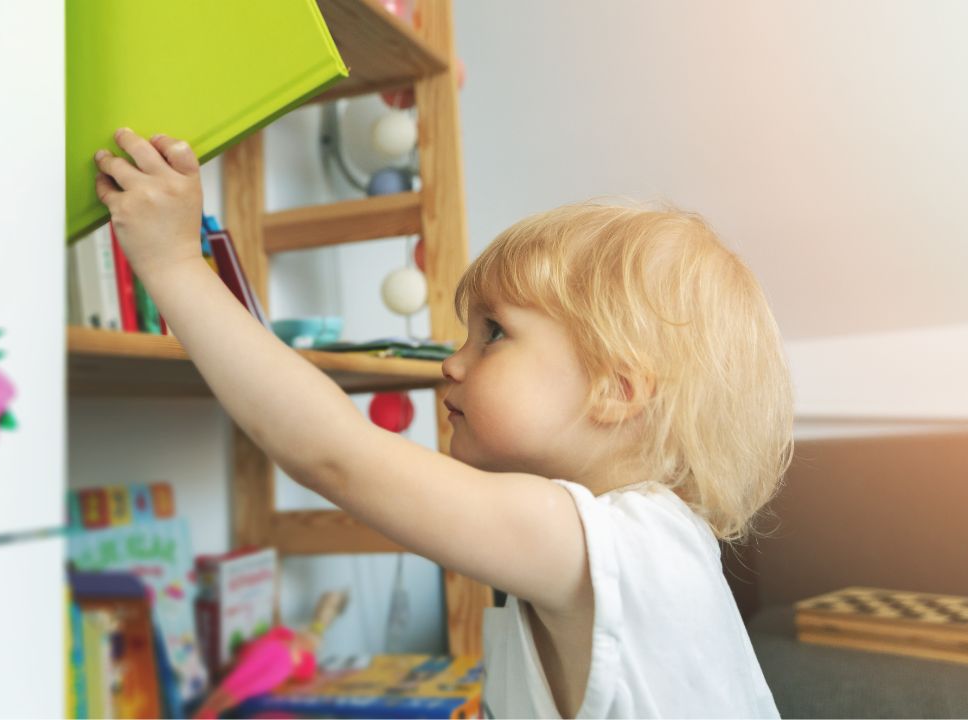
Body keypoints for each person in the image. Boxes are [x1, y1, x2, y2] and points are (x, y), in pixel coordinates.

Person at [93, 127, 793, 719]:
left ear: (615, 390)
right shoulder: (607, 542)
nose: (449, 366)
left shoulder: (608, 541)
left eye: (493, 334)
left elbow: (334, 454)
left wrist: (176, 264)